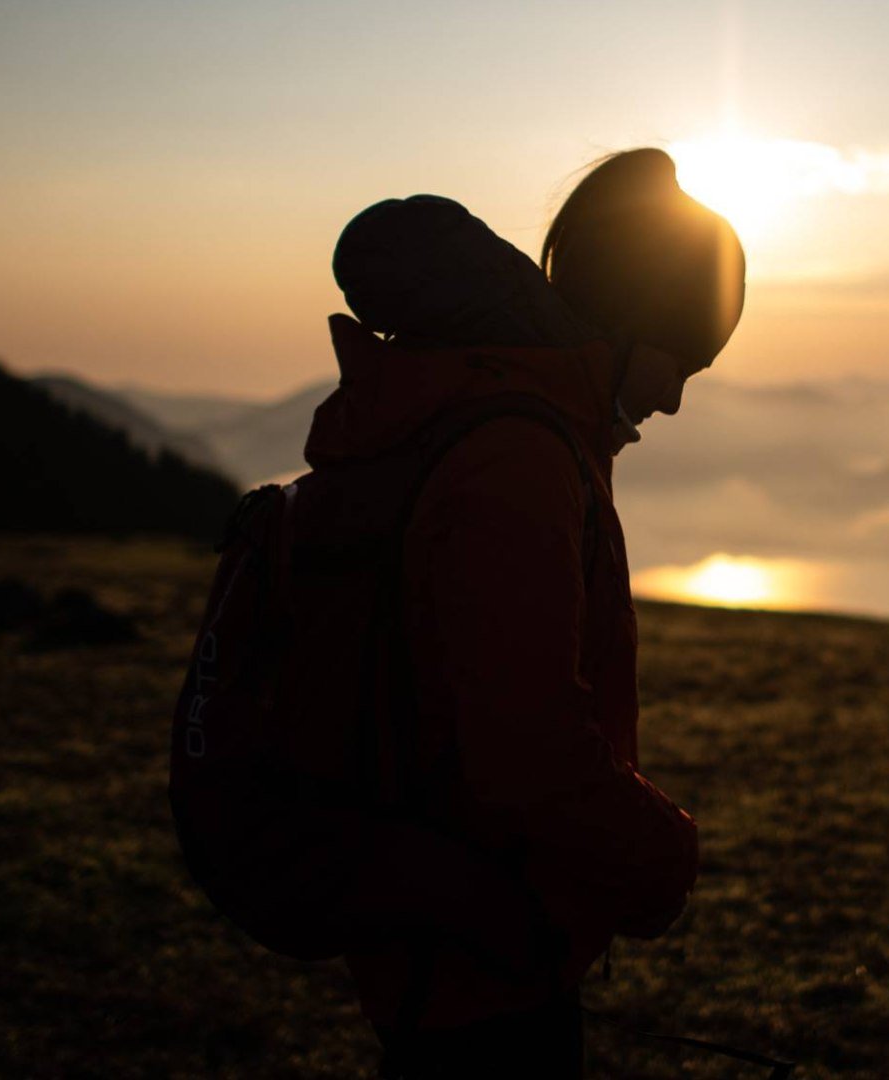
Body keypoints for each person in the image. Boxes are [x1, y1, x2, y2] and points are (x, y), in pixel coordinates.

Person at [309, 148, 744, 1077]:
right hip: (478, 965)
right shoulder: (520, 459)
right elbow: (524, 754)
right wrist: (663, 859)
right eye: (680, 365)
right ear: (628, 327)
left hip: (465, 937)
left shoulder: (513, 425)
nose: (672, 400)